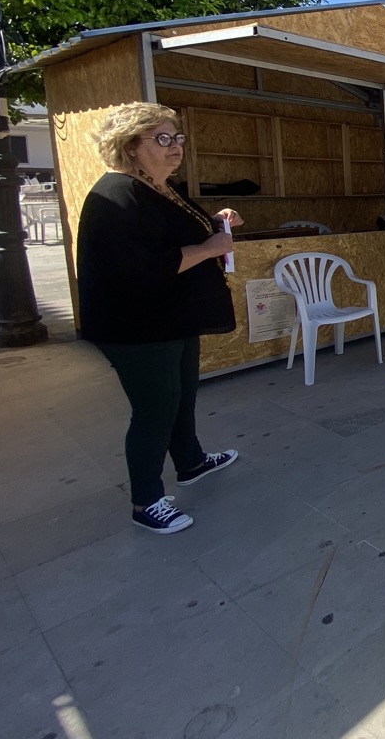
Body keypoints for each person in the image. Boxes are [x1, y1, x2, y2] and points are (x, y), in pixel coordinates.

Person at [77, 103, 241, 535]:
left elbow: (178, 229)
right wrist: (208, 248)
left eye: (177, 138)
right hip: (137, 326)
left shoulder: (159, 187)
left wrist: (217, 222)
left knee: (182, 396)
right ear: (130, 146)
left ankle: (191, 462)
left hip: (173, 317)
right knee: (155, 410)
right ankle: (146, 500)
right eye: (162, 139)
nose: (175, 147)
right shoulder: (117, 195)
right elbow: (142, 266)